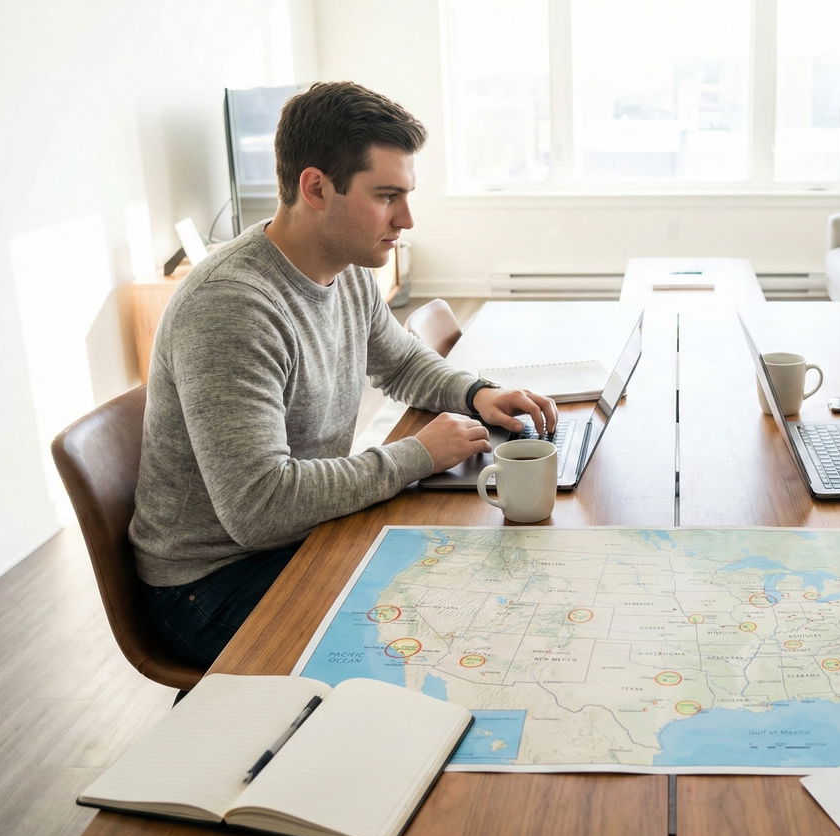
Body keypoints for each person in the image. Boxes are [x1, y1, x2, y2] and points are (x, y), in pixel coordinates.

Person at [130, 81, 557, 668]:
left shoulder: (346, 266)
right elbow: (259, 508)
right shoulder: (230, 307)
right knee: (459, 630)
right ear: (316, 188)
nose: (406, 218)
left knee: (491, 588)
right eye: (386, 196)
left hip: (301, 534)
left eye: (405, 195)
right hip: (213, 583)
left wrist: (476, 393)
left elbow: (399, 360)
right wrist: (416, 455)